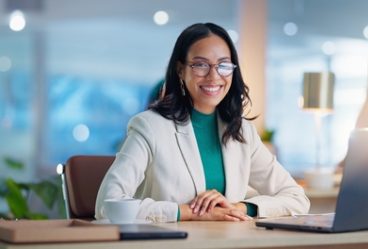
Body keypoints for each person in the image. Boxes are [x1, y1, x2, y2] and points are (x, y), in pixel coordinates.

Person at [95, 22, 310, 222]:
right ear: (180, 70)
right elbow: (106, 205)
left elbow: (296, 198)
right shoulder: (149, 127)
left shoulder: (242, 131)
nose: (213, 76)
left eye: (223, 66)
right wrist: (188, 212)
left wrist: (240, 208)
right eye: (200, 65)